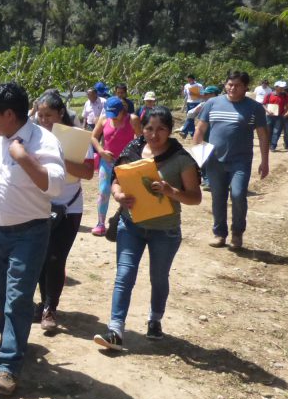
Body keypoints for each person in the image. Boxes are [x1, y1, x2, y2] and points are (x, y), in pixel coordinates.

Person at [0, 82, 65, 396]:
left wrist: (23, 157)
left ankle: (8, 366)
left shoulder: (43, 141)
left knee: (17, 298)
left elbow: (54, 186)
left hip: (29, 233)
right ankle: (8, 343)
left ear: (10, 114)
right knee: (0, 296)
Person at [94, 106, 202, 350]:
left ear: (169, 130)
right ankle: (115, 330)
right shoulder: (132, 150)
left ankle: (155, 319)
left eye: (161, 129)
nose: (154, 134)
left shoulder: (181, 159)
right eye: (149, 128)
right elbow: (116, 181)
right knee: (124, 276)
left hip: (165, 231)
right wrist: (119, 195)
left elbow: (195, 197)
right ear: (142, 129)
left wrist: (170, 191)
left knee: (158, 278)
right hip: (130, 225)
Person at [34, 91, 95, 332]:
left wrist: (59, 160)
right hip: (39, 205)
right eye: (40, 115)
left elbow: (88, 172)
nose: (44, 120)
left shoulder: (76, 138)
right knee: (39, 258)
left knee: (55, 258)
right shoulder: (33, 136)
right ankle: (42, 302)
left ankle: (51, 307)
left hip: (69, 207)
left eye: (49, 115)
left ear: (60, 113)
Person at [194, 70, 269, 250]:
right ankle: (220, 234)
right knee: (218, 198)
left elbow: (263, 135)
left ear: (245, 88)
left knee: (237, 195)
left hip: (240, 161)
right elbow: (200, 130)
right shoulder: (212, 103)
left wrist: (265, 161)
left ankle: (237, 232)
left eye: (237, 85)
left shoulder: (254, 108)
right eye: (229, 84)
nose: (232, 88)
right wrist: (198, 157)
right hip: (214, 160)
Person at [89, 96, 141, 236]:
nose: (113, 117)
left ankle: (126, 221)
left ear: (122, 110)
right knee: (104, 191)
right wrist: (101, 151)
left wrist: (133, 156)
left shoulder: (133, 120)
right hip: (107, 162)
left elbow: (140, 139)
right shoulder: (104, 119)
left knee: (126, 193)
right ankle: (100, 223)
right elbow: (93, 137)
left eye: (115, 114)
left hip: (126, 163)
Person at [265, 81, 288, 152]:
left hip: (279, 117)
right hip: (269, 116)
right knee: (269, 131)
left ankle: (273, 146)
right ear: (276, 87)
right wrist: (267, 111)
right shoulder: (269, 95)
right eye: (281, 87)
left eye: (283, 87)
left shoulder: (285, 95)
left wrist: (284, 112)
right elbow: (264, 104)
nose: (282, 88)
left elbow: (287, 104)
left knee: (276, 131)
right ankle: (269, 144)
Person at [180, 74, 203, 138]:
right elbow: (184, 95)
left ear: (194, 79)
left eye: (190, 80)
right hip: (189, 103)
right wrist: (182, 89)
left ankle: (184, 131)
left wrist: (194, 94)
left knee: (189, 118)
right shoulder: (186, 86)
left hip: (196, 103)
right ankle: (193, 134)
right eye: (188, 80)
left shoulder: (199, 86)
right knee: (190, 118)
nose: (189, 81)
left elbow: (202, 95)